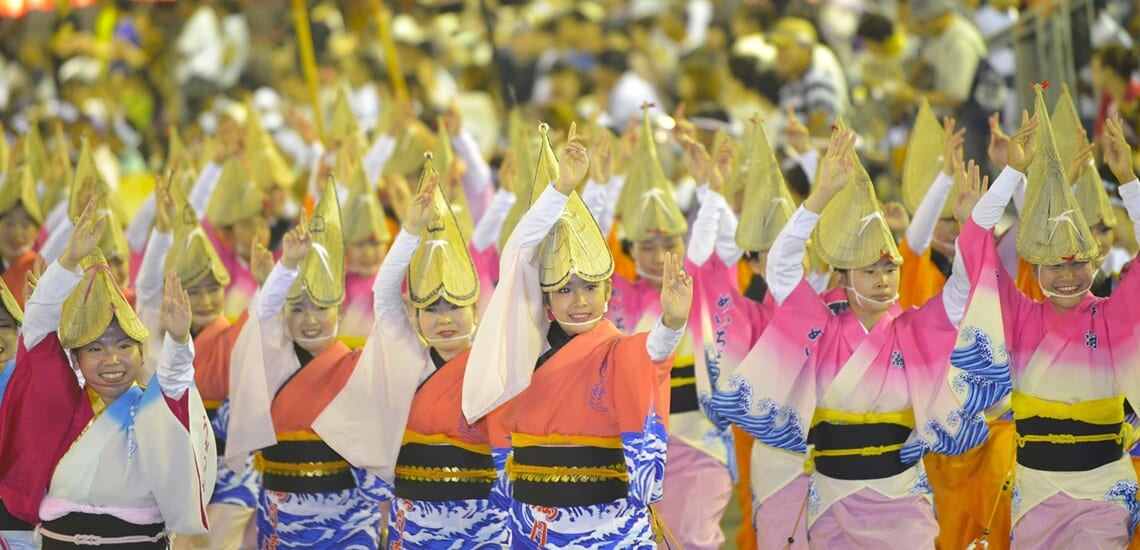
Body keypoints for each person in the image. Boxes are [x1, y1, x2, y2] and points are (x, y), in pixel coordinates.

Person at [712, 126, 1011, 548]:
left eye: (889, 271)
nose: (882, 281)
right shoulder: (819, 326)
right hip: (832, 501)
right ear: (843, 275)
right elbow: (780, 265)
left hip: (903, 499)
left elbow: (962, 287)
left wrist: (973, 226)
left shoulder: (913, 329)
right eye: (869, 272)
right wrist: (820, 195)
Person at [462, 123, 691, 549]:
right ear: (545, 297)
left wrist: (672, 323)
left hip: (609, 526)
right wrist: (562, 188)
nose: (578, 300)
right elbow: (518, 253)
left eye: (589, 287)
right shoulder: (522, 347)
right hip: (532, 523)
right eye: (564, 289)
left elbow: (652, 352)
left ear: (609, 291)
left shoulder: (619, 351)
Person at [959, 89, 1140, 547]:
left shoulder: (1114, 314)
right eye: (1055, 265)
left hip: (1104, 490)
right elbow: (973, 242)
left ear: (1096, 264)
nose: (1067, 276)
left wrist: (1128, 180)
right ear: (1034, 268)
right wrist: (1012, 173)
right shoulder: (1017, 313)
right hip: (1035, 492)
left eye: (1078, 263)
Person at [0, 196, 216, 548]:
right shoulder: (61, 404)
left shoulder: (153, 408)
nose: (111, 359)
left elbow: (176, 380)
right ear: (75, 360)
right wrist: (68, 261)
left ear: (143, 354)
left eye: (123, 345)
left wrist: (178, 339)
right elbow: (37, 333)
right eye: (95, 348)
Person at [226, 179, 385, 549]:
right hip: (282, 518)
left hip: (349, 518)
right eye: (297, 308)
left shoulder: (360, 364)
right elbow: (259, 319)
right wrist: (285, 269)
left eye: (321, 308)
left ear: (341, 310)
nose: (309, 319)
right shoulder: (273, 359)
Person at [364, 158, 508, 547]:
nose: (445, 319)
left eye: (454, 306)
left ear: (476, 309)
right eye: (433, 308)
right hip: (415, 521)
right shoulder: (406, 359)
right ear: (414, 313)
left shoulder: (495, 364)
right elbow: (383, 292)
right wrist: (411, 230)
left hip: (484, 522)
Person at [135, 176, 257, 550]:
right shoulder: (158, 339)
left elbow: (266, 317)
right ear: (176, 292)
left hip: (230, 479)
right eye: (194, 289)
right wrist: (161, 231)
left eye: (212, 288)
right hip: (170, 473)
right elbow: (148, 291)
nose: (205, 299)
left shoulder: (237, 336)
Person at [0, 151, 44, 306]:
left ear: (37, 231)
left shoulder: (40, 271)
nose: (17, 234)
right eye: (9, 224)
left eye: (25, 225)